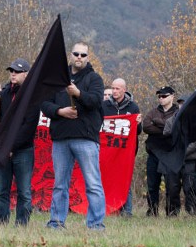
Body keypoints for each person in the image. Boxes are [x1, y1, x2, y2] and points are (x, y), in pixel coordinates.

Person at [41, 42, 106, 230]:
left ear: (88, 57)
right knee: (60, 184)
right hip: (61, 138)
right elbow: (44, 103)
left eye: (83, 55)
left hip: (85, 138)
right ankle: (56, 222)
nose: (79, 57)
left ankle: (95, 225)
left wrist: (77, 93)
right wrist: (60, 111)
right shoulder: (57, 79)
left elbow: (95, 101)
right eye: (76, 53)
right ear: (70, 55)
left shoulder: (94, 79)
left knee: (93, 184)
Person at [0, 58, 39, 226]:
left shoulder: (32, 97)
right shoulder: (3, 94)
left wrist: (11, 146)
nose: (13, 74)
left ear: (26, 74)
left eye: (17, 71)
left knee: (24, 191)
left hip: (23, 150)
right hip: (3, 149)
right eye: (11, 71)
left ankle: (21, 225)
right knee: (1, 190)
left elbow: (29, 127)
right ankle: (1, 224)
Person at [101, 78, 142, 216]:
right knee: (104, 179)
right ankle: (105, 208)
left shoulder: (133, 107)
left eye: (117, 88)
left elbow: (138, 131)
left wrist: (138, 123)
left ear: (124, 90)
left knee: (125, 180)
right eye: (113, 88)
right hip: (106, 151)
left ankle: (127, 211)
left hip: (125, 152)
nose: (114, 91)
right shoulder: (104, 106)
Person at [142, 86, 179, 216]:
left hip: (170, 154)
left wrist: (157, 123)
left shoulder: (178, 112)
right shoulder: (153, 112)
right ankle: (152, 211)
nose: (161, 99)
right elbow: (146, 126)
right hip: (153, 153)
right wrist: (165, 129)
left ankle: (172, 212)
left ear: (172, 96)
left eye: (164, 96)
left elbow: (175, 129)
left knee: (172, 186)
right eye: (159, 96)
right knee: (152, 185)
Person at [163, 95, 196, 214]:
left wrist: (182, 152)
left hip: (189, 160)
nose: (182, 105)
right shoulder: (170, 121)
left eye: (185, 103)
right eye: (180, 103)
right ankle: (173, 212)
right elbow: (166, 139)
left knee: (190, 188)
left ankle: (191, 212)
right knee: (172, 188)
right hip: (173, 161)